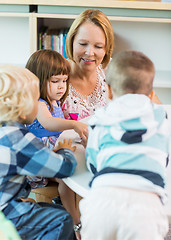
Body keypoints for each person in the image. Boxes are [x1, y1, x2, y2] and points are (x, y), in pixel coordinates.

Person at [79, 50, 170, 240]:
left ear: (109, 90)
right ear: (152, 94)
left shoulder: (100, 119)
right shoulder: (163, 118)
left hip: (103, 199)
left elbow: (93, 164)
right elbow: (165, 158)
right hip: (147, 205)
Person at [0, 65, 77, 240]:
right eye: (36, 100)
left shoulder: (5, 131)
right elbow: (64, 169)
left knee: (55, 209)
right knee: (63, 220)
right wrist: (66, 151)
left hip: (6, 202)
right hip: (5, 213)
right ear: (21, 108)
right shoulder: (19, 138)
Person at [26, 49, 85, 240]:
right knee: (65, 178)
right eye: (55, 81)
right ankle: (75, 220)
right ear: (37, 80)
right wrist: (73, 124)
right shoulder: (39, 104)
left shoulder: (54, 101)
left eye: (64, 80)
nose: (61, 86)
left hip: (51, 153)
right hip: (35, 161)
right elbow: (48, 123)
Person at [62, 9, 114, 120]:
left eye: (98, 46)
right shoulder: (54, 72)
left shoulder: (114, 70)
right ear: (71, 42)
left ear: (107, 49)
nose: (89, 53)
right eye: (83, 44)